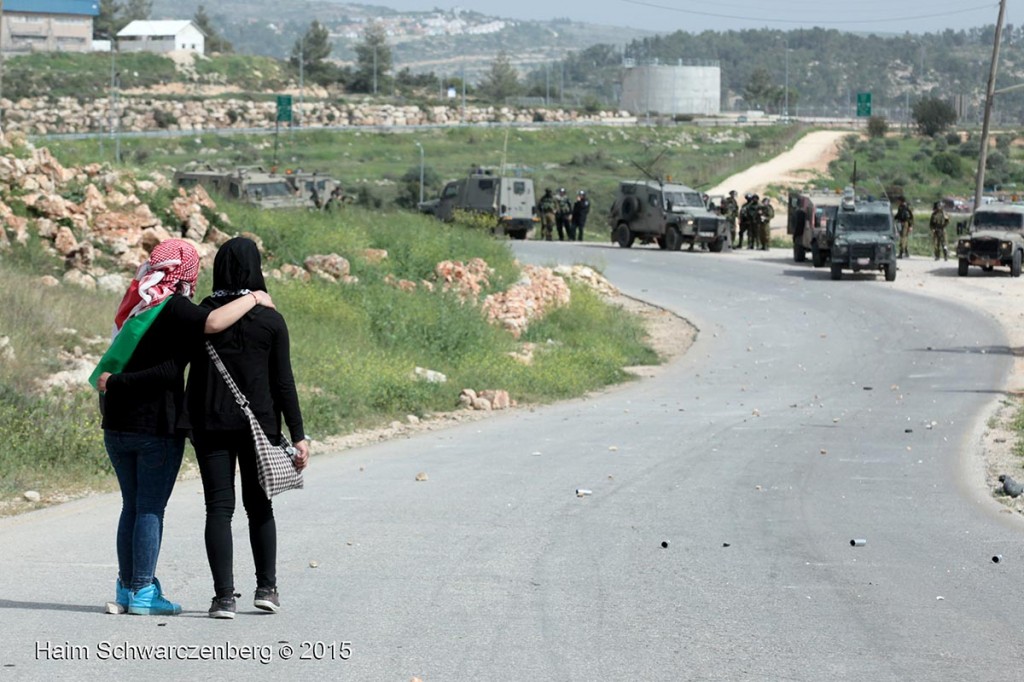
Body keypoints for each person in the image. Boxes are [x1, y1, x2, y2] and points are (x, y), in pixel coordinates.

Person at [94, 239, 274, 617]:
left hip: (116, 425)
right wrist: (255, 298)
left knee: (130, 506)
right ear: (186, 271)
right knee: (148, 509)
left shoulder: (137, 305)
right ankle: (143, 590)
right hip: (155, 424)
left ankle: (126, 588)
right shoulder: (175, 307)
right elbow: (208, 325)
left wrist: (113, 384)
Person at [186, 237, 309, 620]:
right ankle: (267, 589)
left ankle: (224, 598)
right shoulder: (271, 320)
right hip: (260, 426)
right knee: (260, 507)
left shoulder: (201, 316)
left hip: (209, 423)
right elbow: (283, 383)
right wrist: (299, 435)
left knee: (218, 509)